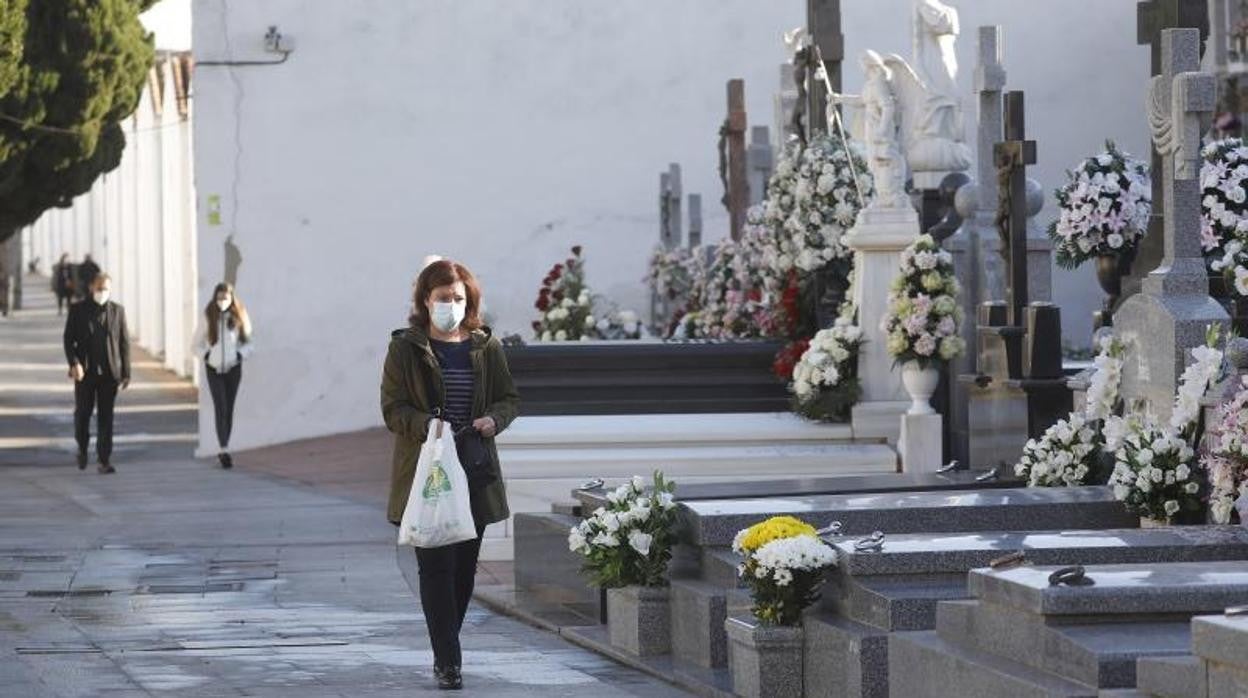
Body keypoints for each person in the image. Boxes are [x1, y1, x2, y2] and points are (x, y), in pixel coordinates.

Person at [381, 259, 519, 691]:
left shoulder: (485, 346)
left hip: (473, 468)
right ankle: (448, 660)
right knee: (435, 565)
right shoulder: (406, 348)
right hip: (428, 470)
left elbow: (507, 399)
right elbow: (393, 408)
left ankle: (447, 645)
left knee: (463, 571)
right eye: (443, 299)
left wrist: (493, 420)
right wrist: (427, 425)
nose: (451, 306)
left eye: (459, 299)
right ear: (425, 300)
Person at [63, 273, 130, 474]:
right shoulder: (78, 310)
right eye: (100, 288)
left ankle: (104, 459)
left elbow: (124, 343)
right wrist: (74, 364)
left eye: (106, 289)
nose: (103, 292)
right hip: (85, 373)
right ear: (92, 287)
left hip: (109, 374)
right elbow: (68, 340)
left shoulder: (118, 311)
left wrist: (126, 372)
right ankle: (82, 448)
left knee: (106, 417)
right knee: (83, 414)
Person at [192, 282, 252, 469]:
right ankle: (223, 449)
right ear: (214, 298)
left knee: (229, 407)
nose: (222, 301)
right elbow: (195, 344)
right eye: (219, 298)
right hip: (214, 369)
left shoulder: (240, 316)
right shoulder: (208, 316)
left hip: (234, 368)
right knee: (221, 406)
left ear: (232, 298)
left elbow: (249, 342)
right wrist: (207, 356)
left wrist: (240, 355)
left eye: (225, 298)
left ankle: (224, 446)